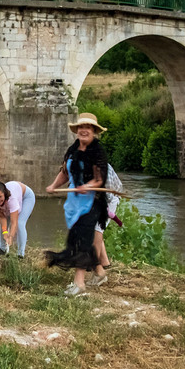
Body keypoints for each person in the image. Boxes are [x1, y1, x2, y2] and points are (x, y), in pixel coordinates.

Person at [45, 112, 110, 296]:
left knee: (81, 240)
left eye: (88, 128)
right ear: (77, 130)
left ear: (94, 131)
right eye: (81, 127)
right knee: (83, 238)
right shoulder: (73, 149)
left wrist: (87, 186)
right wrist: (53, 185)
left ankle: (79, 283)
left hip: (92, 202)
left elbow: (99, 179)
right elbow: (65, 172)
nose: (84, 130)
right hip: (74, 202)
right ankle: (100, 273)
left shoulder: (98, 152)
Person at [0, 180, 35, 258]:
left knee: (20, 223)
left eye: (0, 197)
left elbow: (14, 222)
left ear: (4, 194)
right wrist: (5, 232)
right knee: (2, 223)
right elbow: (2, 218)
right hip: (14, 197)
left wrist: (11, 237)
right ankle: (2, 249)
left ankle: (20, 254)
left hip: (27, 197)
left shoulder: (11, 199)